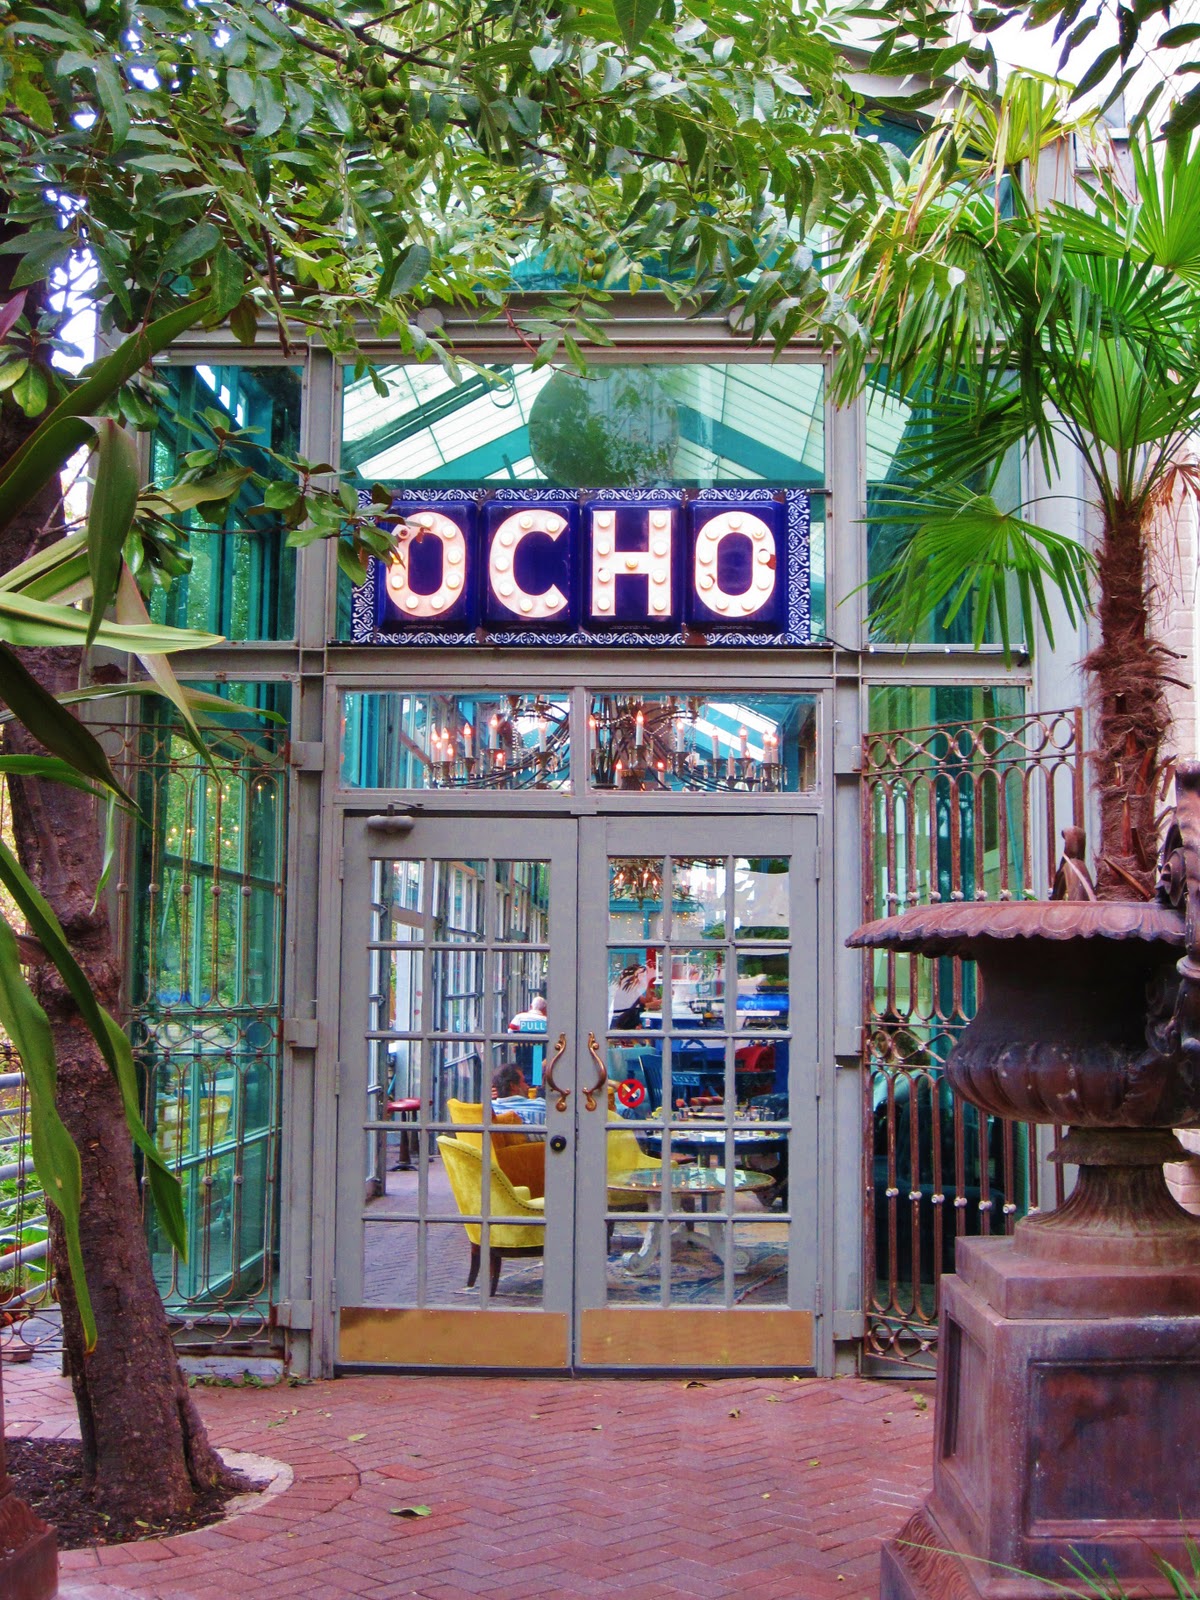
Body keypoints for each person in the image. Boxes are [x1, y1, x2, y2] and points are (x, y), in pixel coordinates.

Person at [491, 1062, 546, 1126]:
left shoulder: (487, 1111)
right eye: (524, 1081)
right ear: (513, 1086)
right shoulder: (542, 1107)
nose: (528, 1086)